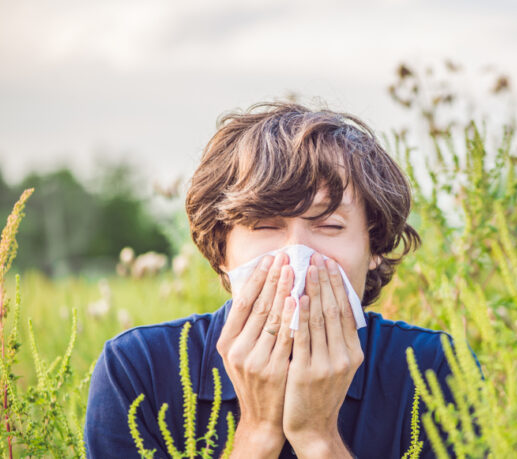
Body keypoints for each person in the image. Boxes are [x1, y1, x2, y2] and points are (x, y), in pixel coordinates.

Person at [84, 101, 482, 458]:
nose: (297, 257)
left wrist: (318, 439)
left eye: (328, 225)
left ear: (374, 245)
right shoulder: (139, 370)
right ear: (222, 250)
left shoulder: (435, 371)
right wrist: (258, 433)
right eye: (264, 226)